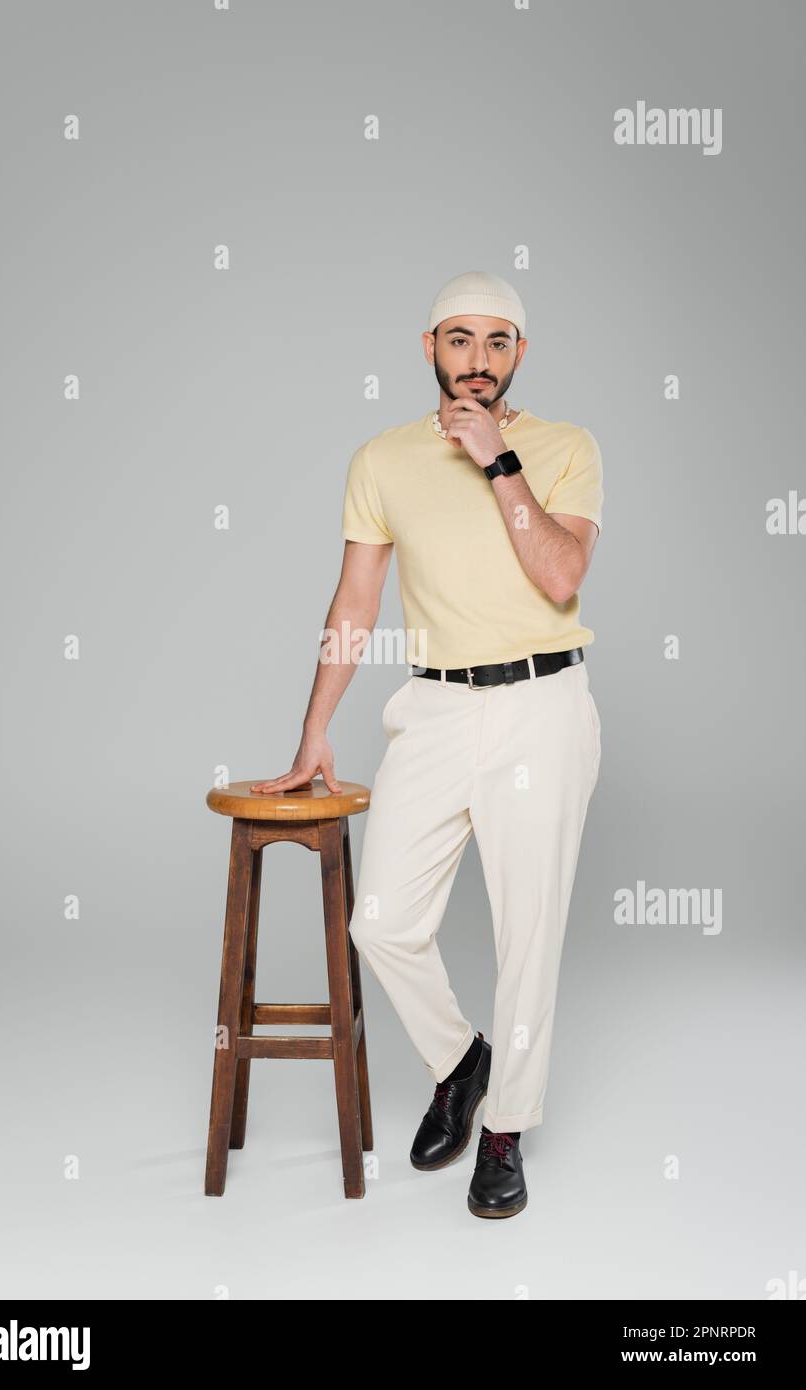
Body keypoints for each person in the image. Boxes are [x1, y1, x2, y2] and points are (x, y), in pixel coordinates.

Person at [251, 270, 603, 1219]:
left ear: (518, 353)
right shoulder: (382, 458)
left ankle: (504, 1128)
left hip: (541, 703)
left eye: (497, 342)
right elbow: (357, 603)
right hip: (436, 707)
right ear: (428, 349)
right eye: (459, 340)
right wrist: (315, 728)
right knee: (382, 921)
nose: (477, 361)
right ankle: (459, 1059)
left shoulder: (563, 447)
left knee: (527, 931)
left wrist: (499, 461)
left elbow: (561, 576)